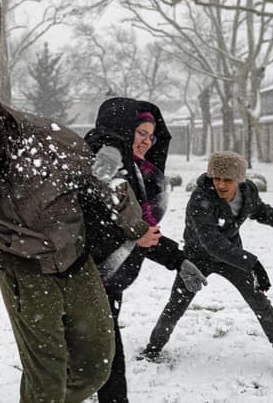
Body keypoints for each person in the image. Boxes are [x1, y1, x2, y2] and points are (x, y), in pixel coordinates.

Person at [0, 86, 160, 402]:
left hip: (76, 260)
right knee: (47, 379)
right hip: (24, 270)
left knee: (95, 366)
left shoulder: (44, 137)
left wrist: (135, 226)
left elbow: (105, 179)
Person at [139, 151, 273, 382]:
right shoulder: (200, 200)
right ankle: (153, 348)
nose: (221, 184)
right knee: (176, 305)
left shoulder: (248, 191)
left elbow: (259, 209)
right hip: (197, 259)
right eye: (216, 178)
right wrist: (253, 263)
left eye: (228, 180)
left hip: (232, 256)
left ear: (239, 180)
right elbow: (212, 244)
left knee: (260, 303)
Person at [84, 97, 207, 403]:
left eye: (152, 136)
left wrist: (177, 259)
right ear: (122, 131)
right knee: (100, 353)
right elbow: (88, 227)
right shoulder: (100, 169)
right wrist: (134, 234)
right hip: (83, 277)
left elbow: (143, 234)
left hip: (107, 281)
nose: (147, 142)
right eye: (141, 133)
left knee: (99, 353)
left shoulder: (138, 175)